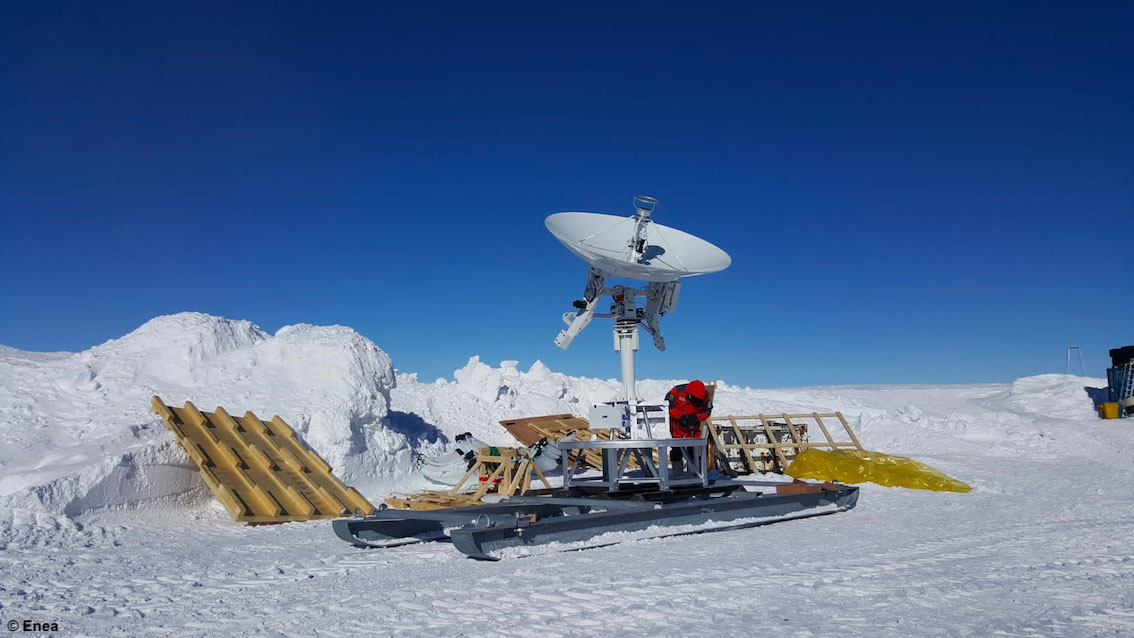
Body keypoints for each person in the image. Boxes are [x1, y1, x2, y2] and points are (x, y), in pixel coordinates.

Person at [664, 379, 713, 473]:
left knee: (694, 450)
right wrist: (679, 416)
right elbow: (668, 406)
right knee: (676, 449)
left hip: (693, 428)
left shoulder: (705, 397)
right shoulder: (677, 392)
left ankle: (695, 474)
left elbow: (707, 411)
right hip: (677, 426)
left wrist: (697, 418)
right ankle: (677, 475)